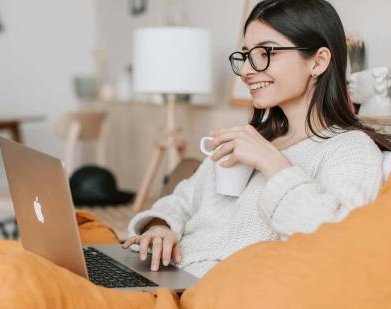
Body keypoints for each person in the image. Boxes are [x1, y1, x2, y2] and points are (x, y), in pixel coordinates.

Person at [122, 0, 391, 278]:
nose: (247, 71)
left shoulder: (349, 149)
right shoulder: (251, 137)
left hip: (209, 289)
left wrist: (272, 163)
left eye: (265, 52)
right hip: (163, 271)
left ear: (318, 61)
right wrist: (160, 226)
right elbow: (183, 199)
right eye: (246, 55)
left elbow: (338, 238)